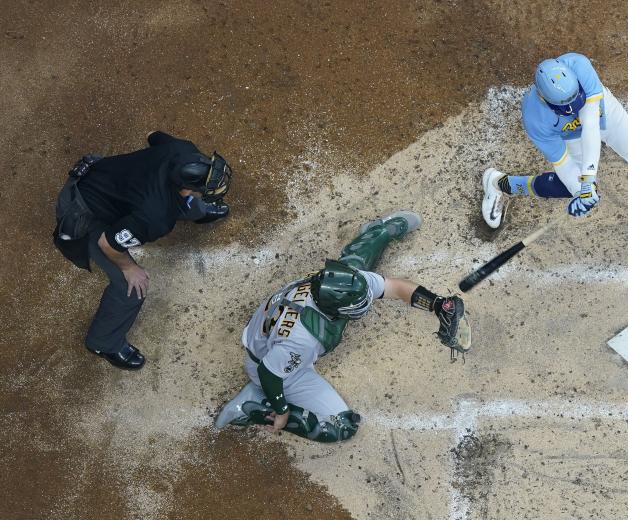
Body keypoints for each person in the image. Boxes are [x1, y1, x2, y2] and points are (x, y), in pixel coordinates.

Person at [214, 212, 470, 443]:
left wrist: (437, 305)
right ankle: (253, 405)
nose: (366, 306)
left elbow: (394, 287)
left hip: (275, 335)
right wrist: (282, 411)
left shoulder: (336, 283)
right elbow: (269, 372)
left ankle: (379, 230)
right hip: (270, 365)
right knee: (341, 427)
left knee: (354, 264)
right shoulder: (304, 339)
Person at [481, 52, 628, 252]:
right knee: (572, 187)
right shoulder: (535, 119)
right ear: (545, 99)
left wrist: (588, 181)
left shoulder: (579, 65)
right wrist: (581, 191)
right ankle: (499, 184)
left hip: (600, 110)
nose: (574, 107)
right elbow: (564, 164)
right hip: (571, 135)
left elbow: (590, 124)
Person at [53, 131, 232, 370]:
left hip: (114, 182)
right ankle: (104, 342)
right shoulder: (155, 217)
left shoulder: (183, 150)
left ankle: (199, 212)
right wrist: (129, 268)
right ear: (187, 188)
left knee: (184, 202)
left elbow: (153, 136)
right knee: (130, 288)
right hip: (84, 211)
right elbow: (108, 243)